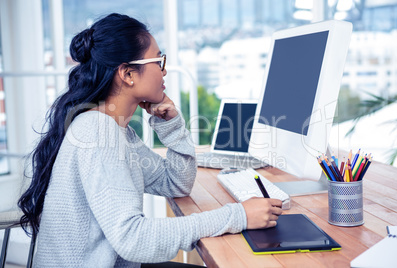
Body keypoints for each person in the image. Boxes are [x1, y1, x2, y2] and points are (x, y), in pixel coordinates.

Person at [17, 13, 282, 268]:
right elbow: (134, 238)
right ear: (128, 74)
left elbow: (176, 182)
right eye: (158, 61)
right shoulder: (98, 132)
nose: (164, 72)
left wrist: (171, 124)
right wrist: (238, 216)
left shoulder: (115, 129)